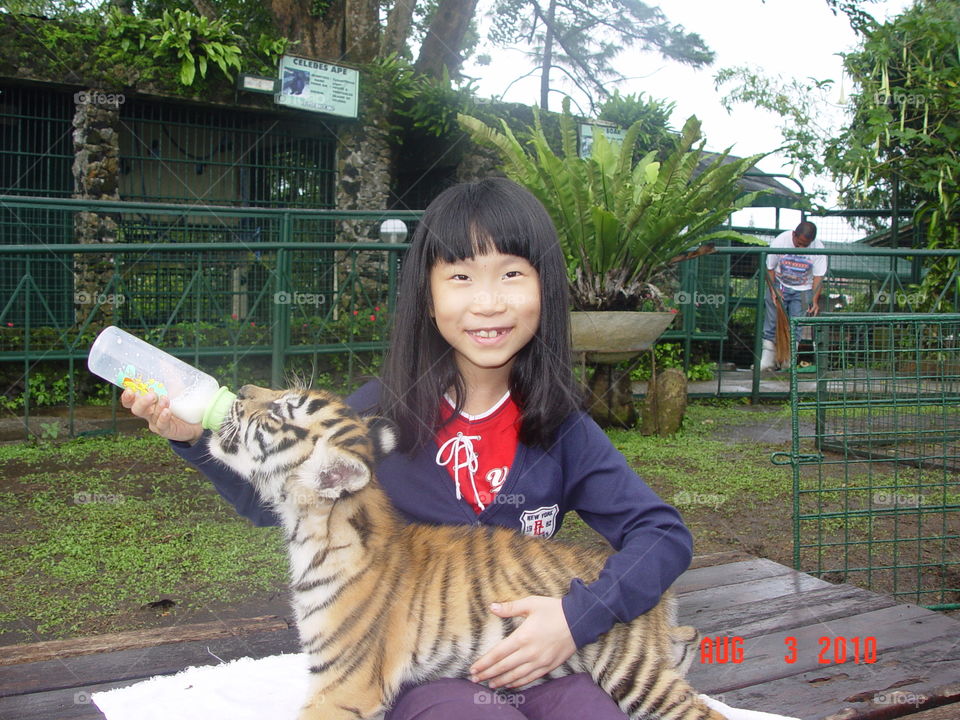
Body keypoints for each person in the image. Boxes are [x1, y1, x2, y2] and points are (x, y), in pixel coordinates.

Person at [122, 177, 694, 720]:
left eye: (512, 273)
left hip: (544, 659)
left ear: (545, 287)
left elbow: (662, 535)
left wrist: (577, 617)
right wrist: (193, 439)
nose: (488, 302)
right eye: (462, 277)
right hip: (426, 673)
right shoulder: (374, 414)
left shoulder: (561, 429)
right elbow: (278, 496)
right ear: (427, 295)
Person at [759, 221, 827, 371]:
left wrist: (814, 300)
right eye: (799, 244)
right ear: (794, 235)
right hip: (779, 284)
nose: (802, 248)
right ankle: (767, 361)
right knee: (771, 320)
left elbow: (818, 276)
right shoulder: (780, 241)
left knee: (797, 324)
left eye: (806, 245)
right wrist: (773, 291)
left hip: (804, 289)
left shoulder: (819, 247)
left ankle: (788, 362)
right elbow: (769, 268)